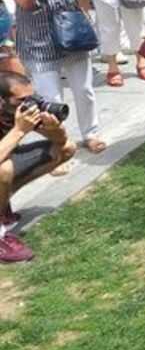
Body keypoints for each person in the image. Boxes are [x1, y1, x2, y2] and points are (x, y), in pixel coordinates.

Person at [1, 0, 106, 153]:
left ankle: (91, 134)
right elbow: (24, 2)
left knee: (84, 89)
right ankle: (59, 145)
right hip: (38, 40)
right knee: (50, 99)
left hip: (72, 34)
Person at [0, 71, 77, 263]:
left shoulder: (18, 110)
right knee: (4, 169)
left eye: (32, 97)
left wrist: (55, 129)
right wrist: (19, 130)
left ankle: (3, 202)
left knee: (67, 148)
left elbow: (62, 143)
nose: (30, 104)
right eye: (22, 99)